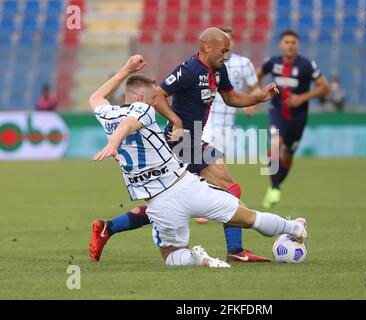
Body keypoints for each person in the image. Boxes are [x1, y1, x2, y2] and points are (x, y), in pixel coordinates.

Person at [89, 55, 308, 267]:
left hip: (158, 201)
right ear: (140, 99)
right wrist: (114, 143)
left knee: (171, 255)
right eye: (153, 98)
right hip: (185, 185)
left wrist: (125, 71)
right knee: (249, 215)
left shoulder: (108, 115)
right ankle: (291, 229)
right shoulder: (143, 108)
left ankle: (199, 259)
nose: (155, 102)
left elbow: (95, 98)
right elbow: (129, 122)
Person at [257, 30, 330, 209]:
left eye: (293, 42)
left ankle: (277, 185)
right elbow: (256, 75)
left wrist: (302, 98)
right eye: (286, 42)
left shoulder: (307, 65)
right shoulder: (272, 63)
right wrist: (256, 96)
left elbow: (324, 87)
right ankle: (274, 187)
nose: (289, 45)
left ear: (297, 45)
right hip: (277, 111)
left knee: (288, 153)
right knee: (274, 145)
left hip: (298, 116)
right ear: (281, 44)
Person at [199, 26, 261, 224]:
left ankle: (210, 205)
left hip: (227, 124)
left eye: (229, 40)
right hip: (209, 121)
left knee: (214, 166)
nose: (227, 44)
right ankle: (206, 206)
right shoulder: (209, 65)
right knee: (209, 164)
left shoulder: (243, 64)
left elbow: (254, 86)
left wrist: (255, 101)